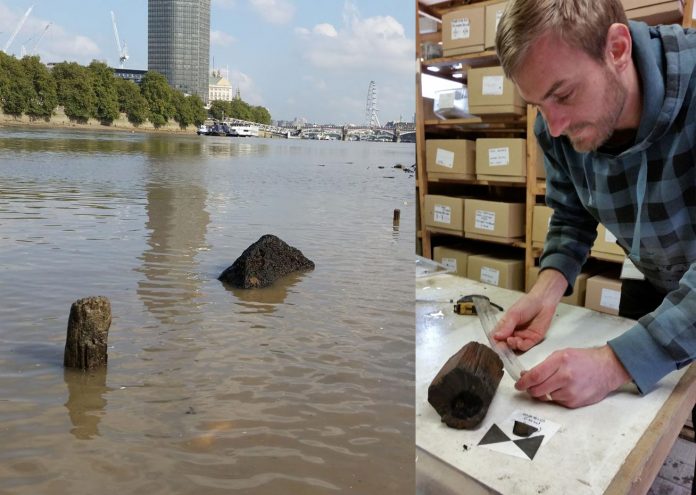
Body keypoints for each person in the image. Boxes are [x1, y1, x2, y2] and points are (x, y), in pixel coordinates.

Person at [492, 0, 696, 409]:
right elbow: (572, 213)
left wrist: (612, 364)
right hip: (656, 280)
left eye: (563, 95)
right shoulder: (554, 126)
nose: (553, 127)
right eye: (538, 106)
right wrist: (546, 293)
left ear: (617, 49)